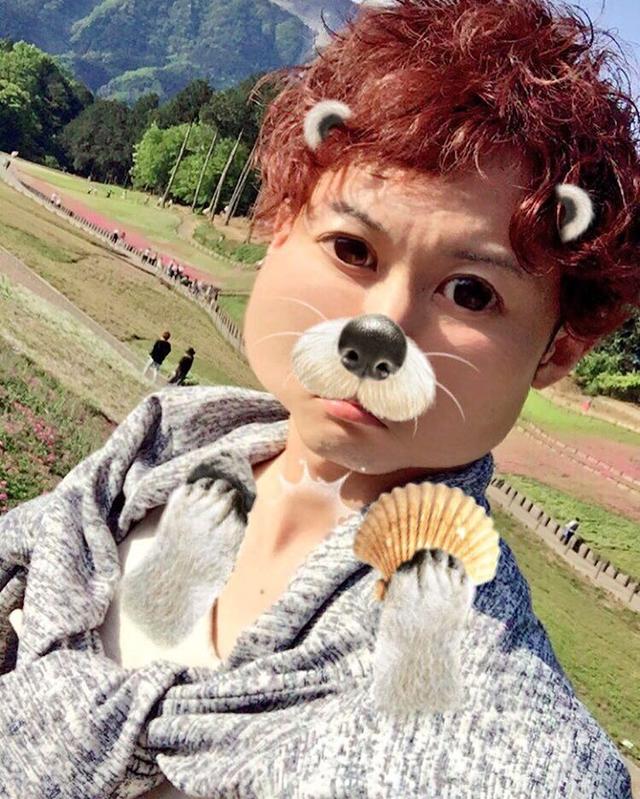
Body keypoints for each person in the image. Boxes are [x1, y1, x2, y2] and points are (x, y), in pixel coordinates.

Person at [0, 2, 638, 797]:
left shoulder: (493, 719)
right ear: (279, 224)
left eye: (471, 292)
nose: (384, 328)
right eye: (352, 248)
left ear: (559, 348)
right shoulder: (161, 448)